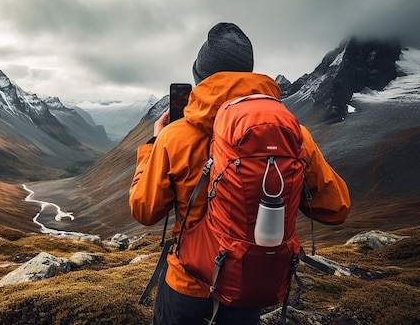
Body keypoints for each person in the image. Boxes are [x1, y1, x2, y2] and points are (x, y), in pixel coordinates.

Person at [129, 22, 351, 325]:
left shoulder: (174, 136)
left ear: (200, 78)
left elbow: (144, 209)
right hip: (246, 287)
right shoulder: (292, 134)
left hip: (187, 287)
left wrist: (153, 146)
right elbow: (336, 208)